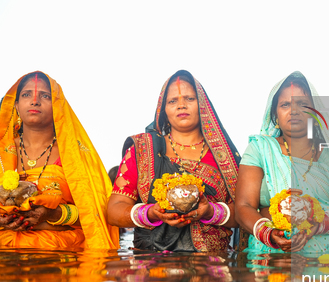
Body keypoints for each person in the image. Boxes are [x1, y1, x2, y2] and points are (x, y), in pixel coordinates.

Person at [235, 71, 329, 254]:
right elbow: (243, 206)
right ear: (275, 115)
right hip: (273, 256)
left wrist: (320, 225)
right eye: (285, 104)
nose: (294, 111)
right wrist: (268, 233)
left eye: (303, 104)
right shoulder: (260, 149)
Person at [107, 70, 240, 251]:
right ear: (163, 110)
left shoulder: (225, 158)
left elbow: (244, 213)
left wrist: (210, 211)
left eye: (189, 99)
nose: (181, 105)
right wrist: (151, 214)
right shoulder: (142, 149)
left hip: (211, 268)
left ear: (203, 105)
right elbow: (114, 211)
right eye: (172, 101)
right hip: (150, 266)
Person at [0, 71, 118, 249]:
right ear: (16, 105)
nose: (34, 101)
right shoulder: (2, 152)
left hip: (62, 255)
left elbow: (97, 215)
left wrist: (53, 214)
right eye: (26, 94)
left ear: (57, 106)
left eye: (45, 96)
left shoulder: (76, 156)